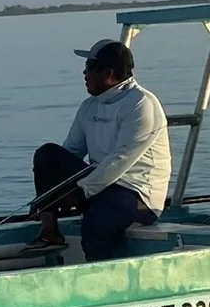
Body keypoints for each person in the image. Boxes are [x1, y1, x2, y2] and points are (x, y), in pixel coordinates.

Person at [32, 39, 171, 260]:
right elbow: (72, 151)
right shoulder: (89, 106)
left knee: (97, 225)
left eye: (89, 68)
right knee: (47, 154)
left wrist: (79, 193)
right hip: (99, 185)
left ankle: (101, 283)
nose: (84, 74)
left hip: (137, 193)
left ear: (107, 73)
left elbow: (120, 159)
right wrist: (51, 194)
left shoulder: (141, 104)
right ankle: (49, 231)